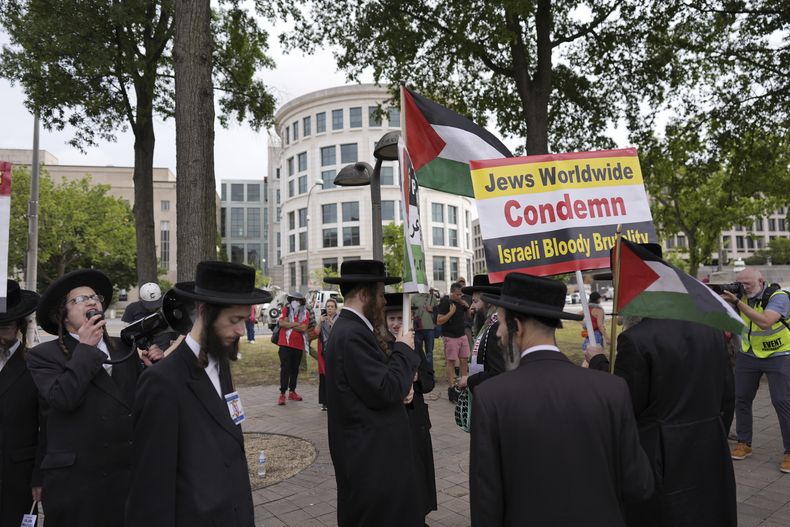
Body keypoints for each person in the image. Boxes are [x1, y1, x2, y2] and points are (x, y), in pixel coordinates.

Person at [470, 272, 654, 526]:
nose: (499, 334)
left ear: (518, 327)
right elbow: (640, 485)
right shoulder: (612, 389)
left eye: (500, 323)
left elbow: (486, 505)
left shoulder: (491, 397)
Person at [126, 261, 272, 527]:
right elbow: (150, 492)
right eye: (234, 320)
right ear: (203, 311)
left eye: (245, 320)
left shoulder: (221, 363)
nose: (242, 330)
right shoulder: (162, 383)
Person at [27, 269, 163, 527]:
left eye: (94, 297)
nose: (91, 301)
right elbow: (63, 398)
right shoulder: (43, 355)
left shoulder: (124, 347)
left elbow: (141, 405)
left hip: (125, 477)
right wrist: (86, 349)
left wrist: (153, 371)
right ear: (63, 316)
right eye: (78, 300)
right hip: (78, 484)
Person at [586, 318, 736, 526]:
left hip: (661, 451)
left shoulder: (636, 338)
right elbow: (727, 396)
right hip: (708, 444)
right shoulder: (712, 331)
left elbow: (625, 403)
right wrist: (716, 432)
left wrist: (598, 361)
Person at [323, 260, 422, 526]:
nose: (383, 302)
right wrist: (403, 348)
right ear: (365, 295)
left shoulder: (351, 330)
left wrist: (402, 387)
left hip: (370, 460)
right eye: (380, 295)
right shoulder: (352, 333)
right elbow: (384, 390)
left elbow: (371, 386)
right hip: (370, 463)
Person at [721, 267, 790, 473]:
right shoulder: (741, 297)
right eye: (740, 284)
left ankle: (789, 452)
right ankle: (744, 442)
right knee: (741, 398)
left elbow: (765, 322)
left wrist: (737, 303)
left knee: (782, 401)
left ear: (761, 281)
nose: (743, 288)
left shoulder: (778, 297)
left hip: (779, 354)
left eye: (747, 284)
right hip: (749, 355)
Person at [382, 292, 437, 521]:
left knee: (419, 476)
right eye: (391, 319)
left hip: (416, 422)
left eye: (399, 319)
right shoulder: (380, 347)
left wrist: (416, 379)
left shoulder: (414, 344)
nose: (395, 324)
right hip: (393, 423)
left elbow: (430, 379)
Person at [0, 280, 43, 526]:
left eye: (5, 324)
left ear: (19, 323)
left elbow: (46, 426)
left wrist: (39, 476)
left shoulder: (36, 364)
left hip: (18, 478)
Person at [457, 274, 505, 393]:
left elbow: (498, 373)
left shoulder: (496, 328)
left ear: (488, 302)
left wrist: (469, 380)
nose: (472, 307)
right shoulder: (491, 324)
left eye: (475, 301)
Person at [121, 282, 178, 351]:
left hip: (165, 347)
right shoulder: (132, 308)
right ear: (141, 298)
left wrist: (174, 341)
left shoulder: (166, 306)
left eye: (156, 302)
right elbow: (127, 331)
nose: (153, 308)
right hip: (141, 348)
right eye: (150, 304)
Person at [276, 292, 310, 405]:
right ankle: (282, 394)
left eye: (298, 300)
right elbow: (281, 323)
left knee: (294, 369)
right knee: (285, 368)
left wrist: (289, 323)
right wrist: (296, 324)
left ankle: (292, 391)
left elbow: (304, 327)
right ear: (291, 300)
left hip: (298, 345)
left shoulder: (305, 312)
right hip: (285, 344)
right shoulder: (286, 310)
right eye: (294, 299)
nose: (296, 301)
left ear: (302, 302)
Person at [437, 282, 470, 389]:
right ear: (452, 292)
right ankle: (451, 387)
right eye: (457, 294)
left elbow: (468, 312)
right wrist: (450, 313)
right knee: (451, 362)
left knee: (464, 360)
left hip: (462, 335)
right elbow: (439, 321)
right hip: (450, 337)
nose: (459, 296)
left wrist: (465, 304)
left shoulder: (460, 302)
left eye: (461, 294)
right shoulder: (446, 303)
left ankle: (463, 383)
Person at [313, 298, 339, 411]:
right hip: (324, 351)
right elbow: (316, 332)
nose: (329, 309)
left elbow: (339, 332)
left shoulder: (339, 319)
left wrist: (331, 322)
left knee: (335, 375)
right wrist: (320, 321)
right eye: (328, 306)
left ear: (335, 308)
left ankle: (336, 400)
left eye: (332, 306)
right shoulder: (322, 319)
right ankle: (325, 402)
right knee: (324, 376)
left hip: (336, 351)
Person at [411, 289, 438, 369]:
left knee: (429, 353)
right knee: (417, 352)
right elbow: (411, 313)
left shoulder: (432, 297)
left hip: (430, 328)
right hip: (418, 329)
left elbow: (438, 312)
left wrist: (432, 309)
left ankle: (429, 373)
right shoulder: (414, 297)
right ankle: (419, 373)